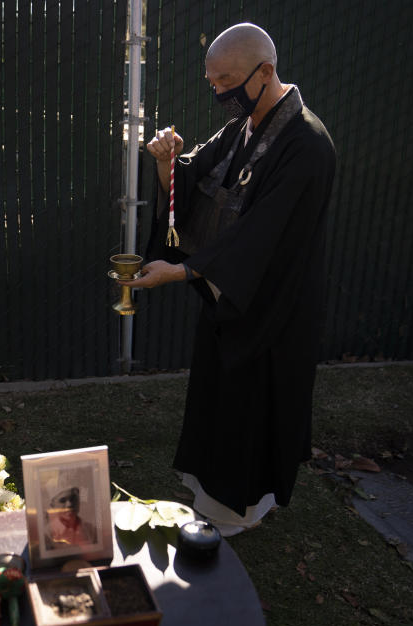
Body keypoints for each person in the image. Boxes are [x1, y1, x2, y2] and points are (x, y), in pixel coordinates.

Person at [124, 23, 336, 536]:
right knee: (216, 399)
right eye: (212, 82)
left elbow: (265, 234)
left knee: (250, 408)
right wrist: (166, 162)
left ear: (265, 72)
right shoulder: (246, 122)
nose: (219, 92)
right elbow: (194, 177)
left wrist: (183, 270)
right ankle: (209, 494)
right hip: (229, 298)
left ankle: (238, 510)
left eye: (228, 81)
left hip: (271, 305)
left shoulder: (307, 144)